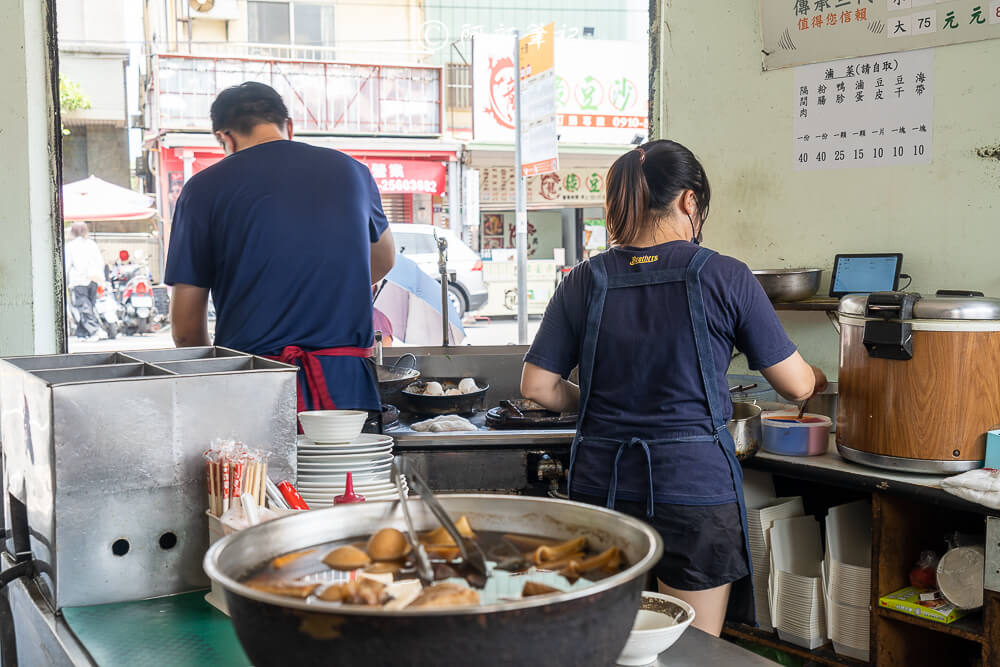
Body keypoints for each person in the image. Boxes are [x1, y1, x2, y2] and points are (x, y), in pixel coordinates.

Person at [520, 140, 827, 636]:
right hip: (693, 489)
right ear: (689, 201)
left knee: (609, 642)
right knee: (688, 648)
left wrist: (593, 405)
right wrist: (818, 377)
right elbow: (795, 386)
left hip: (603, 486)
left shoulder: (581, 280)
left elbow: (537, 386)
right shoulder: (725, 274)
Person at [165, 82, 396, 413]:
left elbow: (186, 331)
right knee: (346, 466)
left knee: (257, 469)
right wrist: (325, 284)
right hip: (346, 389)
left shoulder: (202, 190)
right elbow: (385, 258)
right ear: (289, 127)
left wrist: (211, 384)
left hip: (251, 389)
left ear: (225, 137)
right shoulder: (353, 172)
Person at [64, 221, 107, 340]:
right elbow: (100, 262)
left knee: (83, 307)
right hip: (94, 279)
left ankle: (95, 331)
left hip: (78, 281)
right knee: (89, 306)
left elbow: (67, 265)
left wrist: (65, 281)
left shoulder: (71, 246)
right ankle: (82, 333)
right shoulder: (92, 244)